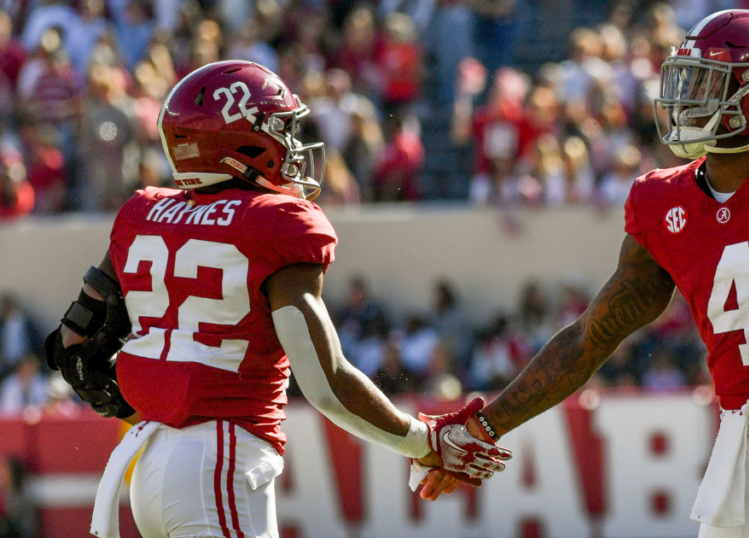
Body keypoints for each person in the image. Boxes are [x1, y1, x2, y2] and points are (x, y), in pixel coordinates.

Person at [421, 10, 749, 537]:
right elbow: (589, 339)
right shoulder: (661, 203)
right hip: (742, 449)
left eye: (708, 81)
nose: (687, 96)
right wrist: (483, 428)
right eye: (687, 78)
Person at [42, 60, 509, 538]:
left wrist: (136, 403)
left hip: (151, 461)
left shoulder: (142, 213)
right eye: (279, 129)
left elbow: (73, 345)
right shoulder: (275, 224)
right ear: (238, 140)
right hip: (219, 460)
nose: (290, 145)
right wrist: (423, 441)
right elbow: (325, 384)